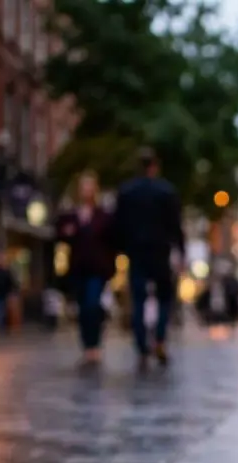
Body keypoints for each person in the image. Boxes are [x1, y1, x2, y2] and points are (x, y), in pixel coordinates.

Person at [114, 147, 185, 368]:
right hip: (160, 251)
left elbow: (119, 225)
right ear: (154, 166)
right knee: (164, 298)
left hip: (136, 252)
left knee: (138, 299)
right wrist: (181, 251)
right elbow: (176, 225)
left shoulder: (126, 192)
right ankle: (160, 339)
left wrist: (121, 249)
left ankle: (142, 346)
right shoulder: (166, 191)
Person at [56, 171, 116, 364]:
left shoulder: (103, 215)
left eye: (90, 186)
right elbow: (60, 235)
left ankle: (94, 343)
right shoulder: (71, 214)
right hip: (78, 268)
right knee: (82, 307)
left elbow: (112, 240)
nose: (87, 190)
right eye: (84, 186)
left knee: (92, 304)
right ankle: (87, 344)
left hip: (97, 269)